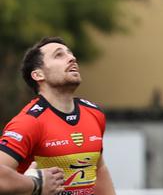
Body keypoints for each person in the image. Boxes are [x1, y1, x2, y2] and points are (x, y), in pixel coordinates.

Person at [0, 38, 111, 194]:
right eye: (59, 55)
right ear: (38, 75)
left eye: (70, 54)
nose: (72, 58)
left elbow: (99, 169)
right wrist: (34, 183)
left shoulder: (94, 113)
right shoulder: (29, 122)